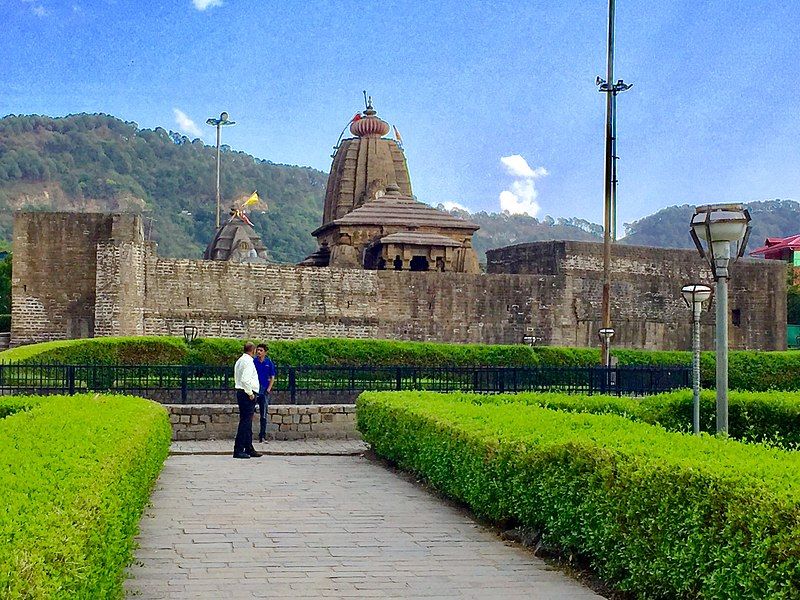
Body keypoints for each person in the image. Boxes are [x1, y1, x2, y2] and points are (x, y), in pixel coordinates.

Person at [233, 341, 261, 459]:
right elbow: (245, 380)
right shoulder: (248, 362)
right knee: (245, 422)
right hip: (246, 393)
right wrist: (250, 393)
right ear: (253, 350)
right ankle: (238, 449)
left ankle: (249, 447)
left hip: (241, 391)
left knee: (247, 421)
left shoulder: (240, 360)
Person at [254, 343, 277, 443]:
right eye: (258, 350)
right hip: (255, 389)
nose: (259, 352)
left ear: (265, 352)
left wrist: (269, 388)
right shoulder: (254, 362)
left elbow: (272, 376)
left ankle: (262, 435)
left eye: (261, 350)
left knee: (263, 413)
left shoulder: (268, 362)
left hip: (264, 389)